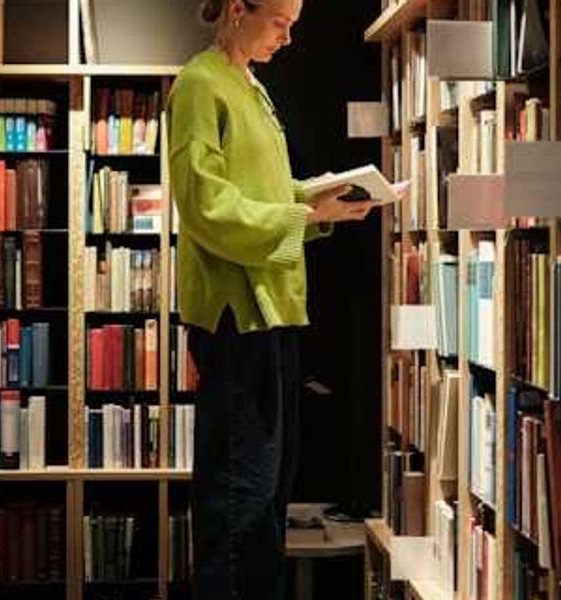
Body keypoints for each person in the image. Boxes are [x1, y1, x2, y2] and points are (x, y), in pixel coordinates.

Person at [167, 1, 396, 597]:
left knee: (266, 491)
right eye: (279, 23)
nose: (289, 38)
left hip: (274, 307)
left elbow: (264, 191)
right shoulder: (200, 84)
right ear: (239, 10)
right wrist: (302, 211)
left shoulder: (251, 86)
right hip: (239, 313)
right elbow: (207, 207)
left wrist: (323, 206)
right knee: (240, 494)